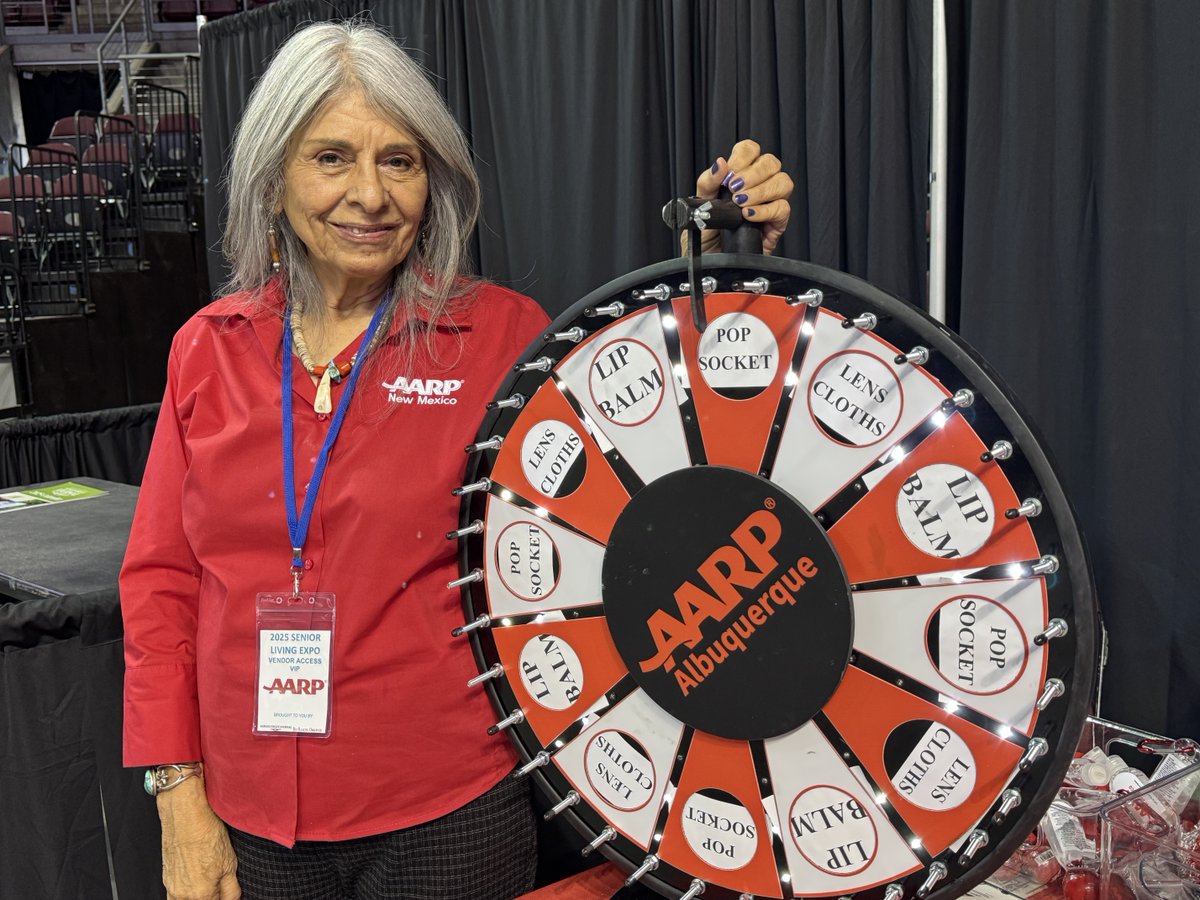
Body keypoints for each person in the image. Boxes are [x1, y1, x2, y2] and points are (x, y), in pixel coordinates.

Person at [120, 20, 794, 900]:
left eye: (399, 161)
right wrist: (176, 793)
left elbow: (662, 468)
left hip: (448, 814)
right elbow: (163, 584)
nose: (370, 194)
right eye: (332, 158)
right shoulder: (206, 350)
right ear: (273, 178)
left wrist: (723, 276)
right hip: (248, 817)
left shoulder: (501, 338)